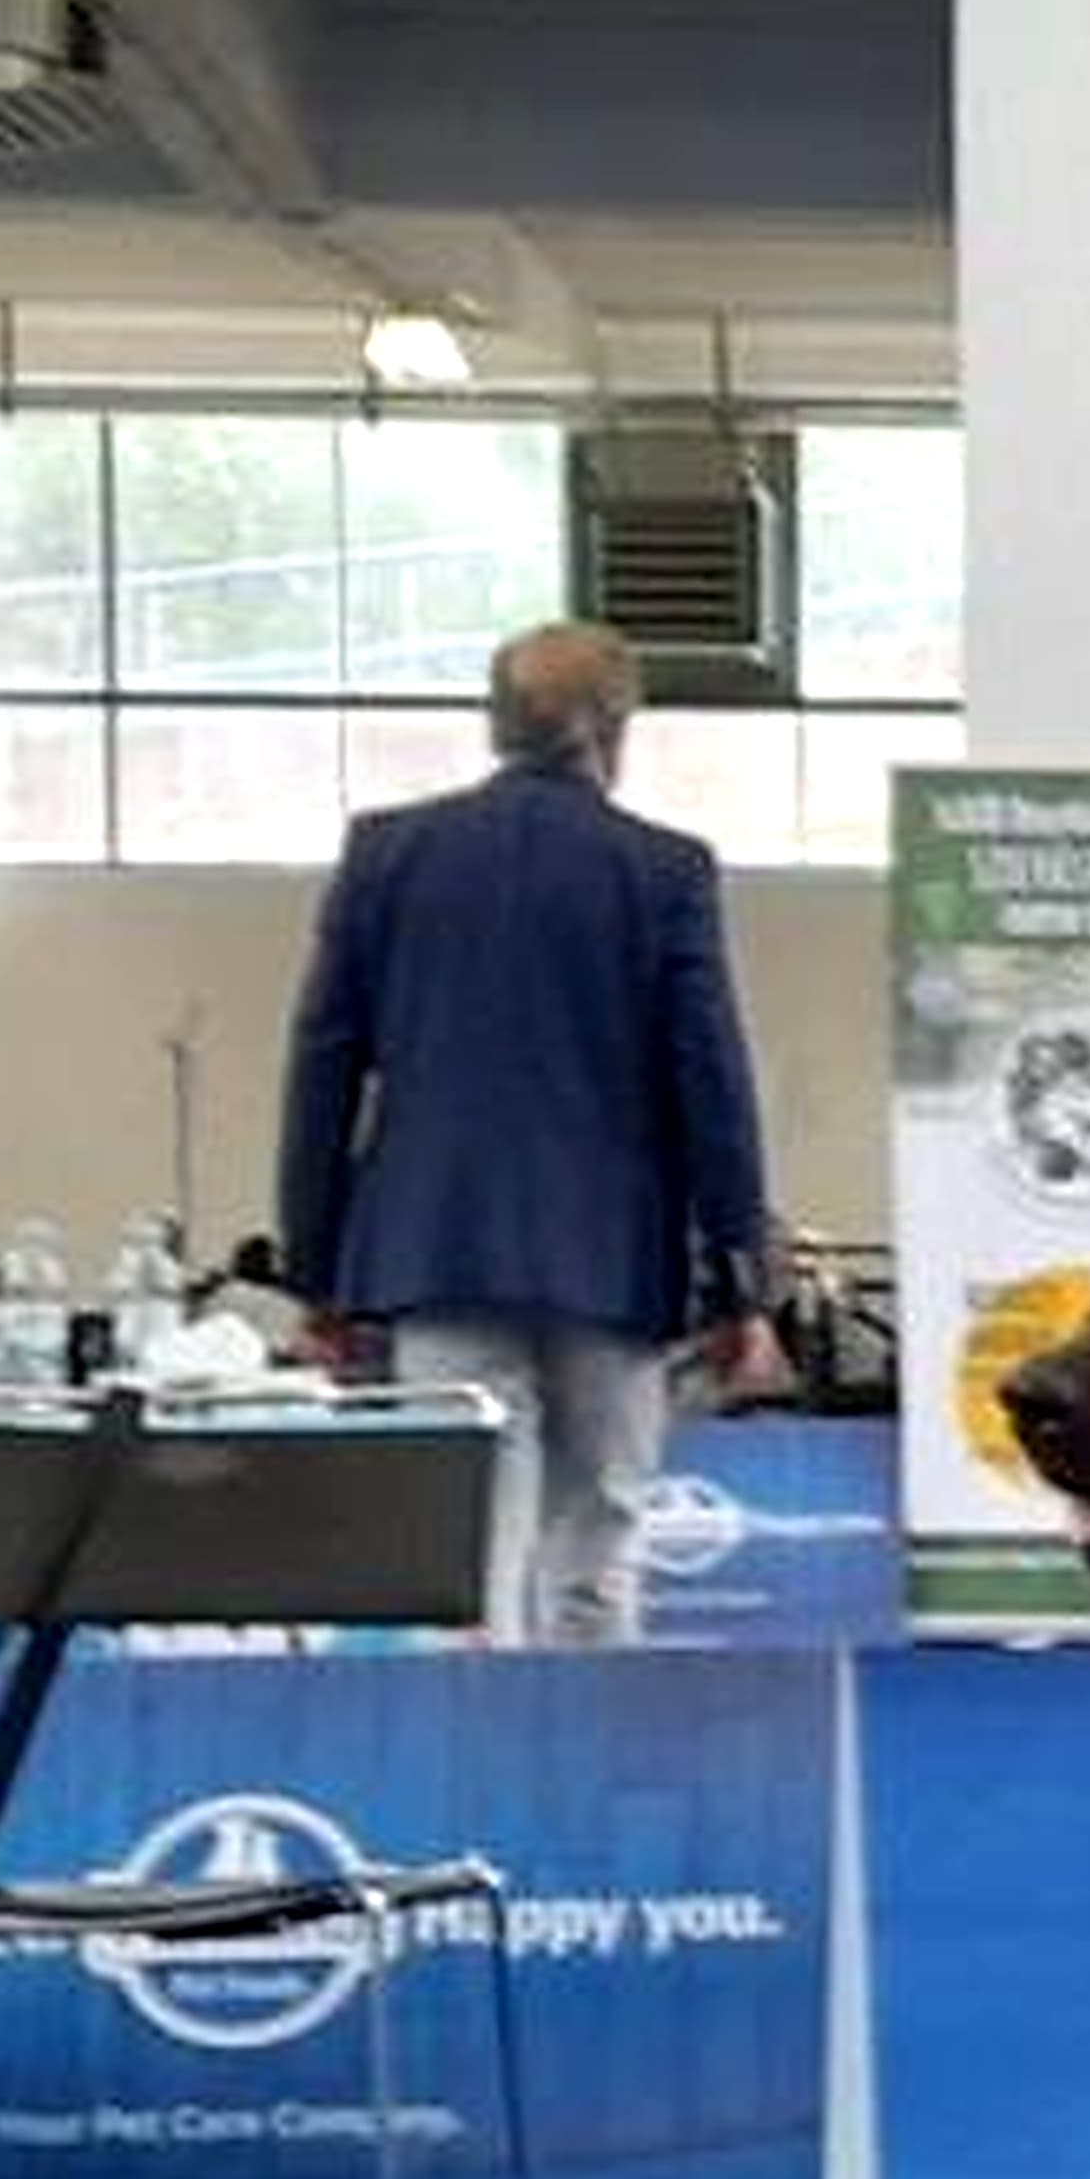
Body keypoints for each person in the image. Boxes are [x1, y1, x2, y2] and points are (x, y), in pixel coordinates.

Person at [275, 618, 782, 1647]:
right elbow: (712, 1084)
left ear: (497, 726)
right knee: (599, 1533)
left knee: (471, 1540)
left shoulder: (387, 854)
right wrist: (743, 1282)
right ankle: (586, 1760)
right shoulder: (666, 870)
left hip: (434, 1248)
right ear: (615, 729)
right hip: (614, 1264)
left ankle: (480, 1762)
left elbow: (324, 1065)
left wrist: (318, 1273)